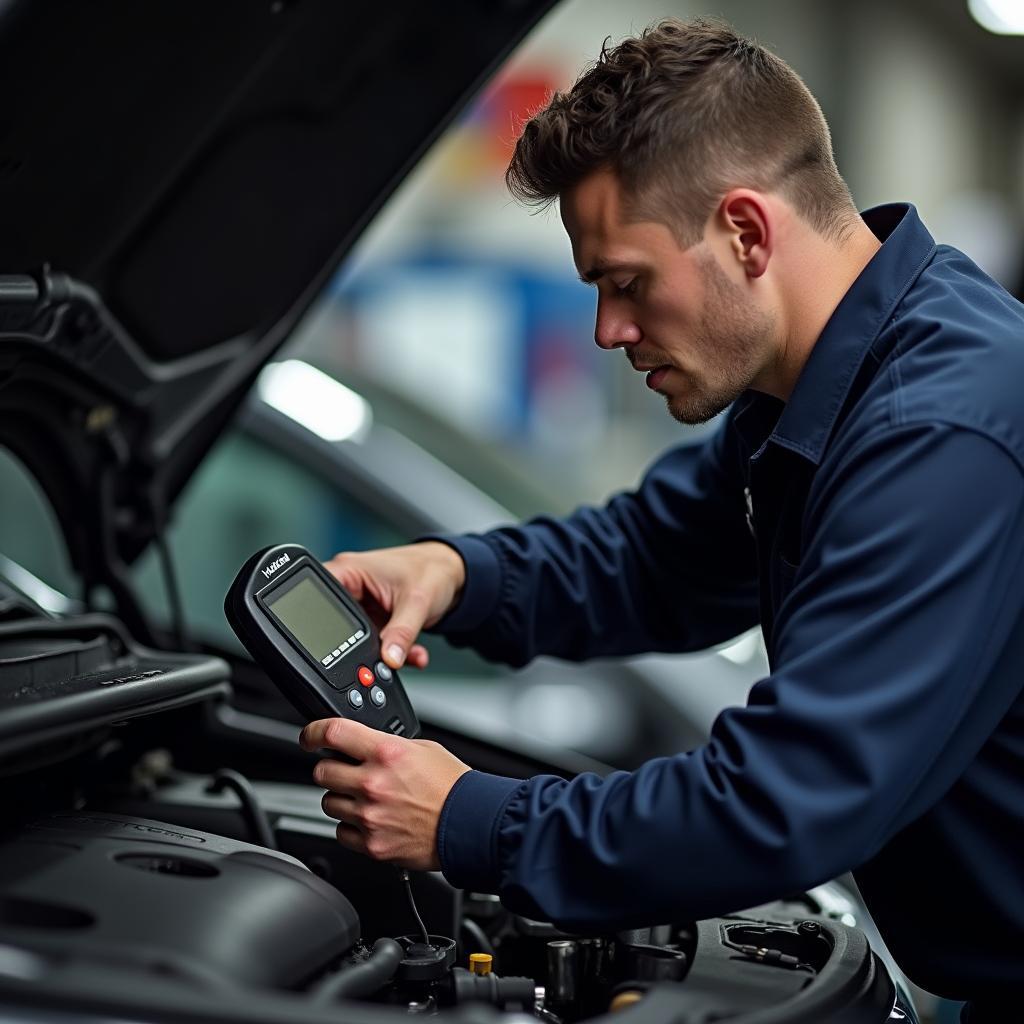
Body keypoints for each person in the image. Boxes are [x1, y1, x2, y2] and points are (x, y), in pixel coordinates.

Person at [298, 18, 1024, 1016]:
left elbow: (779, 802)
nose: (608, 331)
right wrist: (453, 573)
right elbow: (651, 559)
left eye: (627, 284)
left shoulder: (941, 433)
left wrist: (470, 818)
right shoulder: (819, 388)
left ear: (746, 231)